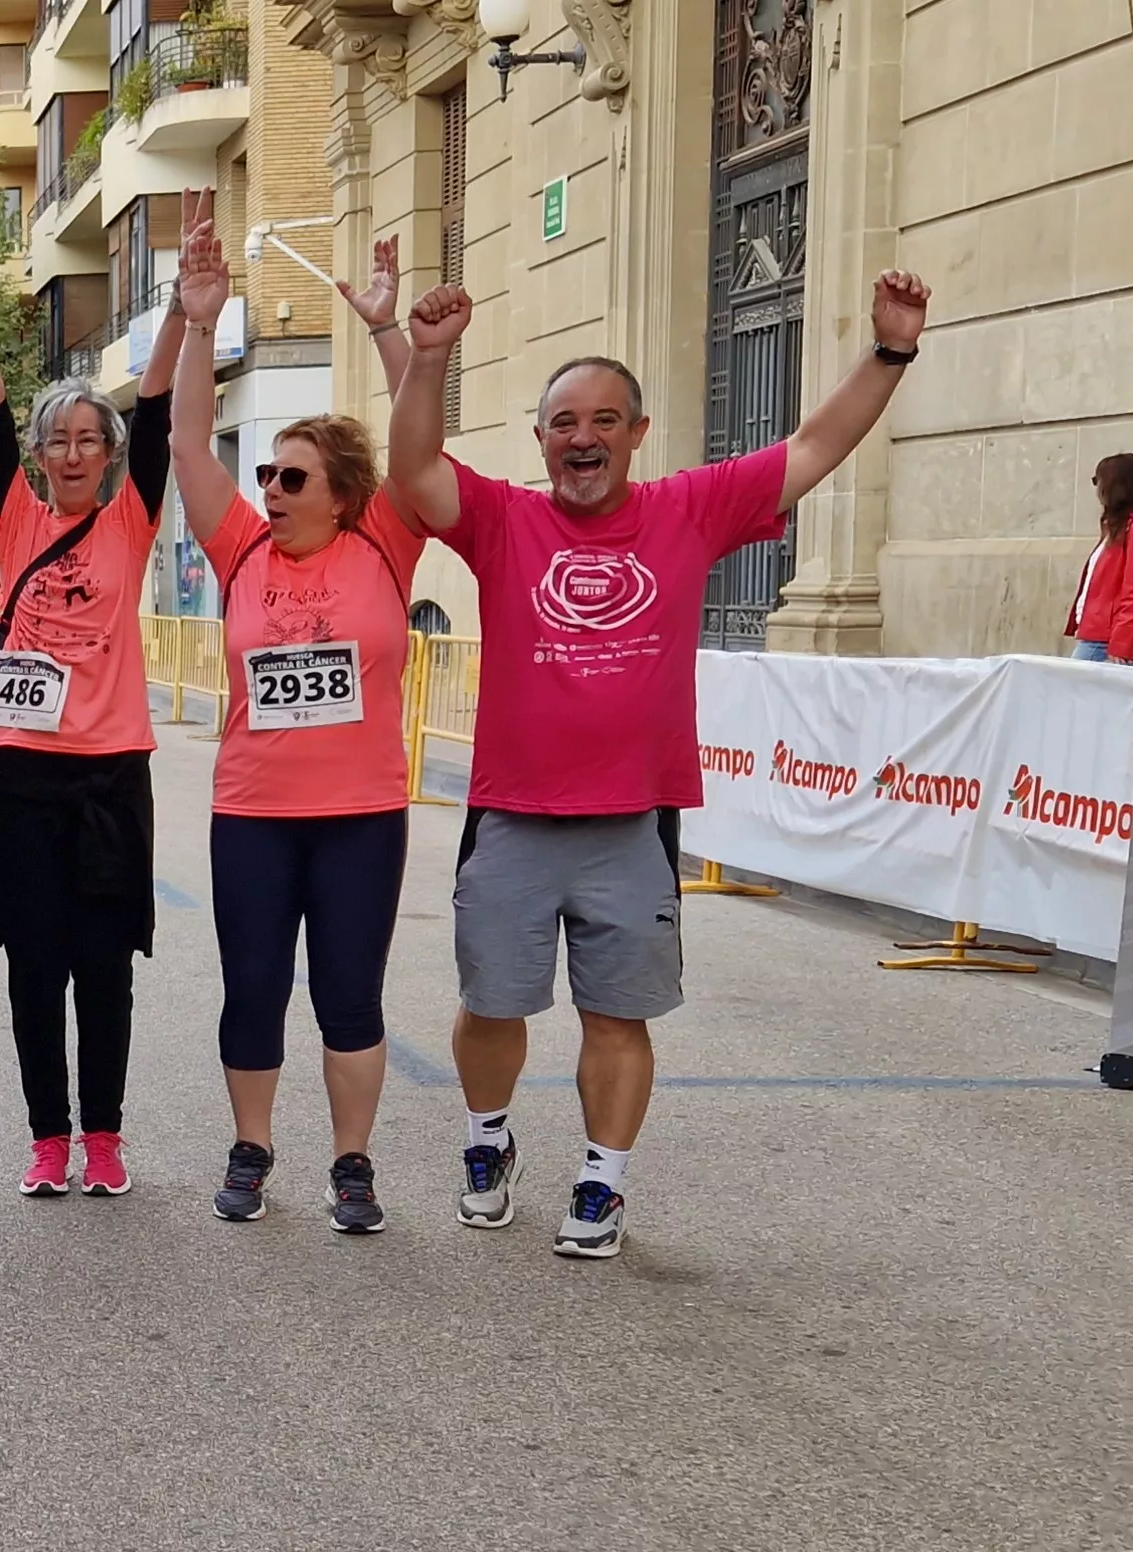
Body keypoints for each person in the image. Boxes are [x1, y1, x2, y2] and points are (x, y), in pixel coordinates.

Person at [386, 267, 935, 1258]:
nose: (580, 437)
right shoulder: (502, 519)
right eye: (561, 422)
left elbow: (812, 448)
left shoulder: (690, 507)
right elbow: (412, 467)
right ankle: (485, 1139)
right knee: (489, 1002)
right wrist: (426, 359)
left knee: (617, 1014)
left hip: (629, 824)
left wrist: (887, 351)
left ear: (635, 434)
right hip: (512, 817)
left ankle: (601, 1182)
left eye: (602, 419)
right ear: (540, 437)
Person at [165, 199, 423, 1232]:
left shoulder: (385, 541)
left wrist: (385, 328)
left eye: (288, 476)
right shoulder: (239, 550)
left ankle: (351, 1165)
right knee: (253, 987)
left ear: (340, 490)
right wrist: (195, 320)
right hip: (254, 812)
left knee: (348, 994)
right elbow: (187, 441)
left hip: (361, 811)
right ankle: (250, 1147)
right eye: (265, 473)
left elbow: (418, 426)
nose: (267, 487)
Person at [0, 189, 183, 1198]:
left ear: (109, 459)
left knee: (103, 968)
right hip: (23, 777)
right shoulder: (14, 521)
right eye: (57, 442)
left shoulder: (129, 523)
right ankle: (47, 1136)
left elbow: (159, 412)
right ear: (35, 461)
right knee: (32, 965)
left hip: (111, 776)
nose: (73, 453)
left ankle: (106, 1136)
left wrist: (186, 315)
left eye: (89, 440)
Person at [1069, 453, 1133, 664]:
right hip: (1097, 636)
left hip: (1107, 641)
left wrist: (1121, 642)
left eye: (1097, 480)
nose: (1096, 488)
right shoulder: (1119, 528)